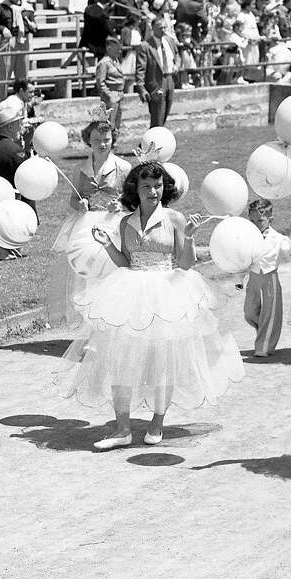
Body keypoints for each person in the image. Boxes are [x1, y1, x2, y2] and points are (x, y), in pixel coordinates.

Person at [55, 161, 241, 450]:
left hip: (167, 292)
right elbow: (125, 262)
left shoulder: (175, 219)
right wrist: (107, 244)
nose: (153, 191)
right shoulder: (125, 222)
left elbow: (185, 264)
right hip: (131, 293)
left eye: (158, 185)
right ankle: (122, 429)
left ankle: (157, 422)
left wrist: (190, 235)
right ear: (136, 189)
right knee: (120, 359)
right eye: (146, 186)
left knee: (161, 360)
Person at [47, 110, 130, 329]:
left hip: (113, 224)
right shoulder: (80, 169)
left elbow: (132, 200)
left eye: (106, 140)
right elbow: (73, 199)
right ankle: (92, 326)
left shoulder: (123, 167)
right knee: (88, 276)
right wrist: (80, 205)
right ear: (88, 141)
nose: (102, 144)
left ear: (113, 139)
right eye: (96, 140)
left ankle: (113, 321)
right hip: (87, 226)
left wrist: (120, 205)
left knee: (111, 272)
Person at [243, 199, 291, 358]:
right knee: (249, 311)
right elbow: (241, 258)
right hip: (253, 278)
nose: (256, 224)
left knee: (270, 313)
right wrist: (239, 279)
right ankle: (263, 329)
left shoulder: (279, 239)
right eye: (252, 221)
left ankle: (264, 347)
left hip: (270, 278)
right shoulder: (246, 237)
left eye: (260, 220)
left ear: (270, 219)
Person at [134, 18, 176, 128]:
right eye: (160, 28)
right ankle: (154, 136)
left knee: (166, 112)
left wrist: (176, 65)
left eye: (165, 27)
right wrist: (141, 88)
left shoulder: (170, 41)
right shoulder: (145, 46)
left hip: (170, 79)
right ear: (153, 28)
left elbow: (175, 57)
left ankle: (157, 135)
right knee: (157, 116)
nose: (163, 30)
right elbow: (140, 69)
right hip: (156, 83)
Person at [94, 36, 126, 135]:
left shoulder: (115, 61)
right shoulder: (104, 63)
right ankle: (106, 140)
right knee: (109, 123)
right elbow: (100, 82)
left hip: (119, 94)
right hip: (110, 94)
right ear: (109, 48)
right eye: (117, 49)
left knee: (117, 122)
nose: (119, 51)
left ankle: (114, 139)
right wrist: (109, 95)